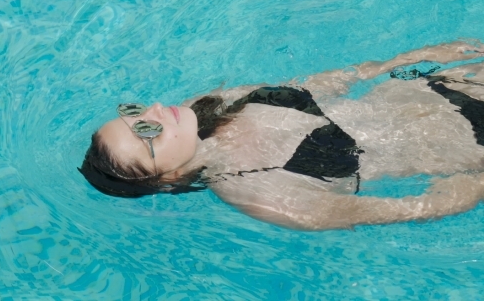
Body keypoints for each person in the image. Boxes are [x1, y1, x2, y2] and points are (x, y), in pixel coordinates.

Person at [79, 40, 484, 231]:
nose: (152, 111)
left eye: (132, 111)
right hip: (464, 141)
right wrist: (470, 189)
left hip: (427, 84)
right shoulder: (264, 196)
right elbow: (399, 209)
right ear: (166, 178)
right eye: (147, 131)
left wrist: (403, 61)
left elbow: (319, 85)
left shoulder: (206, 103)